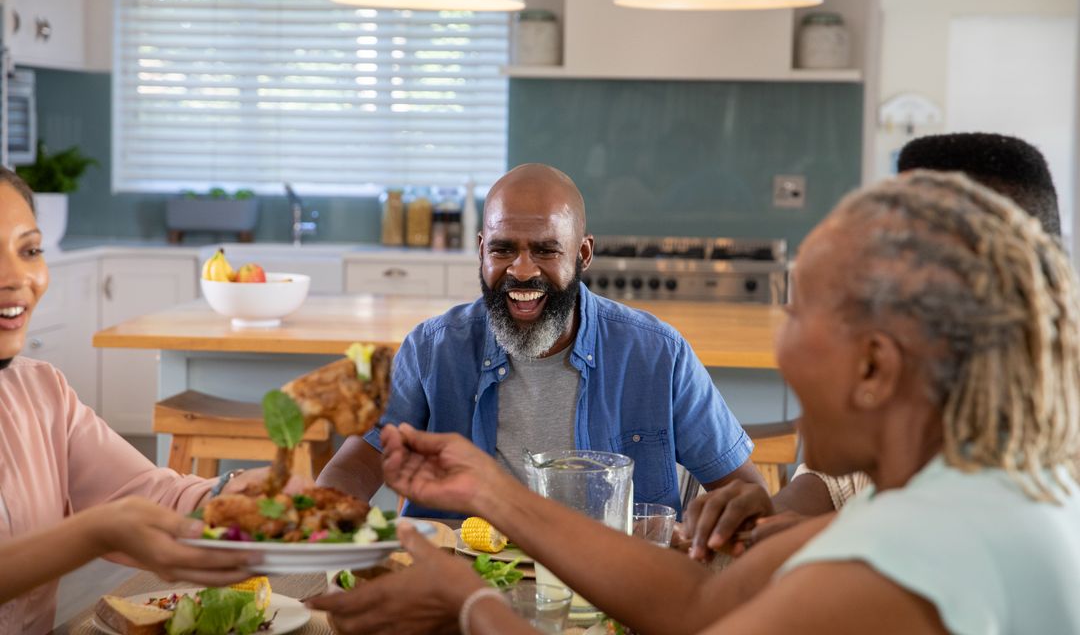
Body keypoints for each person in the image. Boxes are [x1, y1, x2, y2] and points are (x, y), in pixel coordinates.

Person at [310, 170, 1080, 634]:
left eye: (797, 311)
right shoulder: (963, 501)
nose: (776, 343)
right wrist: (485, 488)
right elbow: (693, 603)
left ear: (875, 367)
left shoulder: (903, 565)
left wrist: (471, 604)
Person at [680, 131, 1066, 561]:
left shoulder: (1010, 485)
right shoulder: (920, 389)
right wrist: (774, 519)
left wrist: (824, 537)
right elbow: (839, 489)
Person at [317, 163, 764, 517]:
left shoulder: (657, 354)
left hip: (611, 588)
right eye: (503, 249)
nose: (522, 270)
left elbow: (743, 490)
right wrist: (313, 522)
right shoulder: (433, 349)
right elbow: (358, 464)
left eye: (546, 250)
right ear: (481, 250)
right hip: (462, 581)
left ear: (583, 253)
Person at [0, 168, 260, 634]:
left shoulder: (39, 392)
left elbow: (145, 494)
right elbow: (113, 519)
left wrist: (236, 494)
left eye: (30, 250)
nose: (17, 278)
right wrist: (93, 532)